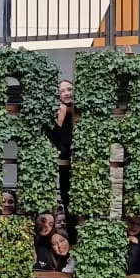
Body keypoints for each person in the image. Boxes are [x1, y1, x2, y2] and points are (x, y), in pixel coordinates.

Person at [53, 78, 75, 207]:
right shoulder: (59, 111)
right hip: (64, 160)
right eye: (62, 91)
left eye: (69, 89)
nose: (67, 93)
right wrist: (59, 119)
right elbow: (54, 137)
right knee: (66, 194)